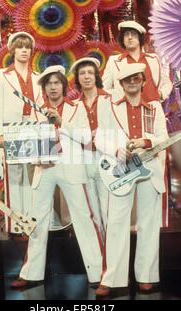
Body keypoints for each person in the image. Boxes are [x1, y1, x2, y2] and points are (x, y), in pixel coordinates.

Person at [10, 65, 103, 289]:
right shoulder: (35, 110)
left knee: (83, 217)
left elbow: (85, 137)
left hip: (71, 166)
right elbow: (29, 144)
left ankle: (99, 273)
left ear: (64, 85)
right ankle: (31, 273)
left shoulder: (76, 107)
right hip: (45, 168)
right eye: (48, 83)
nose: (53, 87)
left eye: (56, 82)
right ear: (43, 88)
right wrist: (35, 157)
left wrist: (61, 121)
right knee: (38, 219)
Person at [94, 63, 169, 297]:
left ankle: (146, 276)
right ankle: (113, 279)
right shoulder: (109, 106)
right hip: (121, 170)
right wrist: (117, 150)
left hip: (149, 168)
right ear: (121, 84)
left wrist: (145, 143)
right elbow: (99, 139)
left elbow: (163, 138)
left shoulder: (155, 107)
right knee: (116, 223)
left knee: (148, 222)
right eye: (127, 80)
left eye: (136, 78)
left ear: (143, 81)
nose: (132, 82)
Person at [0, 32, 43, 235]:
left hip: (34, 129)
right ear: (12, 50)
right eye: (20, 46)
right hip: (12, 128)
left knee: (34, 174)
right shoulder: (1, 75)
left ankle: (32, 220)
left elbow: (40, 107)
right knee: (15, 175)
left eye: (27, 47)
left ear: (31, 51)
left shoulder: (38, 77)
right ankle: (16, 224)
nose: (23, 50)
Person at [70, 57, 112, 231]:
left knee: (110, 210)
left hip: (108, 158)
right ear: (77, 79)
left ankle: (113, 255)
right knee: (92, 212)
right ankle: (100, 255)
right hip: (85, 159)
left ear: (96, 76)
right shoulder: (73, 105)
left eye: (90, 72)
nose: (86, 76)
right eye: (82, 73)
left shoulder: (111, 99)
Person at [102, 20, 172, 103]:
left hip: (152, 110)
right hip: (126, 112)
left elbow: (167, 83)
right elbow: (104, 89)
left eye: (134, 34)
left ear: (140, 38)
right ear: (123, 39)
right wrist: (118, 99)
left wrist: (161, 94)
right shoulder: (114, 61)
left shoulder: (153, 59)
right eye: (126, 34)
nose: (130, 37)